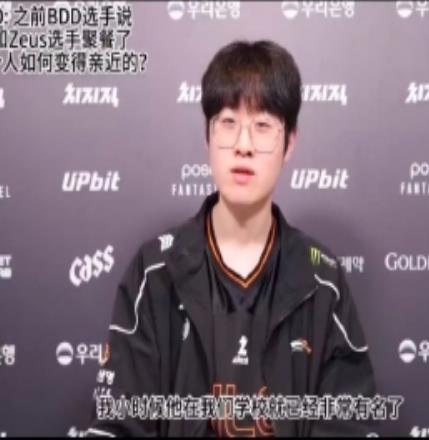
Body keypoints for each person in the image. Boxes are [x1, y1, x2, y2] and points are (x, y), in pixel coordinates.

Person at [85, 39, 377, 437]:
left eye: (263, 126)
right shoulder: (154, 273)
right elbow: (117, 423)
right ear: (207, 137)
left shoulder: (322, 281)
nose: (243, 145)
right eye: (228, 122)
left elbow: (351, 424)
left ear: (289, 143)